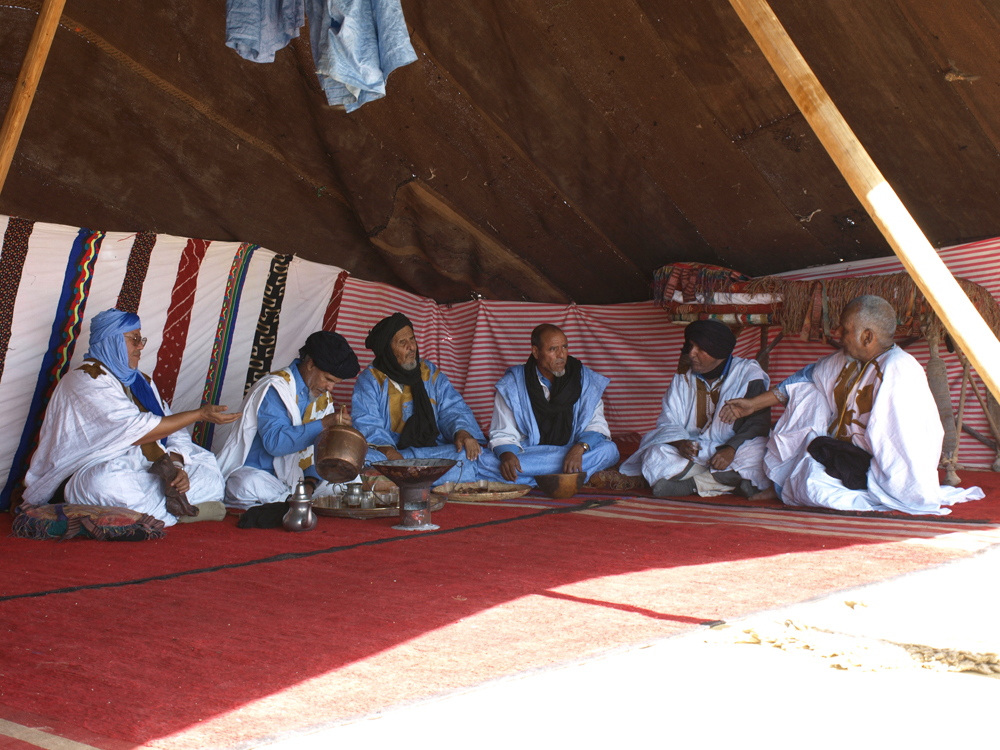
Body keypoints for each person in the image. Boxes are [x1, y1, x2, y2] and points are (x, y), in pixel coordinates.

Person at [719, 295, 984, 515]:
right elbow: (806, 377)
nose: (838, 335)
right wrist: (752, 404)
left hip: (878, 467)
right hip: (841, 455)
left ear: (867, 337)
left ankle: (791, 488)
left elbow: (901, 442)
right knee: (809, 394)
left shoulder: (899, 369)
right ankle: (783, 486)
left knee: (813, 487)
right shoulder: (846, 360)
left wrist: (897, 485)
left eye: (845, 330)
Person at [22, 309, 238, 526]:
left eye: (141, 339)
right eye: (134, 339)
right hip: (93, 469)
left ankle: (156, 509)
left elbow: (174, 431)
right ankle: (178, 509)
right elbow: (137, 430)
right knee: (104, 484)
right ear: (111, 341)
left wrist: (177, 466)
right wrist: (199, 415)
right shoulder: (86, 379)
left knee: (210, 471)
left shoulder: (142, 381)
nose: (140, 346)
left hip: (148, 469)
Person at [619, 319, 771, 497]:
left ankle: (691, 484)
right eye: (690, 346)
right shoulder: (683, 377)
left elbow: (758, 424)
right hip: (693, 452)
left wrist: (731, 449)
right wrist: (679, 443)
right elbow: (669, 420)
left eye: (700, 348)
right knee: (654, 454)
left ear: (718, 351)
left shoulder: (748, 374)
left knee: (761, 452)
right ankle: (728, 482)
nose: (691, 353)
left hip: (734, 451)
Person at [216, 331, 360, 508]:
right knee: (245, 485)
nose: (330, 388)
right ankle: (295, 501)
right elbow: (275, 444)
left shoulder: (323, 398)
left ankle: (294, 500)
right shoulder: (276, 388)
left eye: (335, 383)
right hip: (263, 476)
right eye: (328, 379)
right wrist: (324, 424)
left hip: (299, 481)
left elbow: (321, 453)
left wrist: (310, 483)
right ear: (311, 364)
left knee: (351, 482)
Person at [352, 313, 485, 485]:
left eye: (412, 339)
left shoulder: (428, 371)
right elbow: (367, 424)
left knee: (466, 454)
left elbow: (452, 409)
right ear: (387, 350)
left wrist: (462, 432)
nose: (411, 347)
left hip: (432, 453)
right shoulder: (370, 380)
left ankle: (396, 483)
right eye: (402, 342)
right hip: (391, 456)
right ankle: (421, 480)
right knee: (364, 459)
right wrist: (390, 454)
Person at [479, 324, 619, 486]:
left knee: (609, 450)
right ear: (535, 352)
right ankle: (565, 476)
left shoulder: (584, 380)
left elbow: (597, 425)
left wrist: (580, 447)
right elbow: (503, 433)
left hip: (573, 450)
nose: (561, 355)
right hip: (530, 451)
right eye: (553, 349)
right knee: (488, 460)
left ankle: (530, 478)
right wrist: (507, 456)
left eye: (564, 347)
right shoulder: (512, 384)